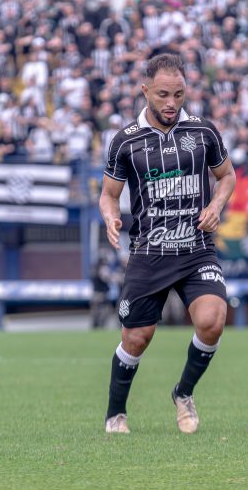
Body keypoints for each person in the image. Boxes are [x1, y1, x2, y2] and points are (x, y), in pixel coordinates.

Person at [99, 53, 236, 434]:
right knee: (137, 337)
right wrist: (111, 215)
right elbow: (109, 194)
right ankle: (116, 414)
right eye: (163, 94)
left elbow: (227, 176)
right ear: (145, 91)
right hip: (148, 251)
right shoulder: (126, 142)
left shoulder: (203, 132)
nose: (171, 103)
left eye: (178, 94)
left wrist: (216, 204)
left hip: (196, 248)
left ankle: (183, 393)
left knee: (212, 322)